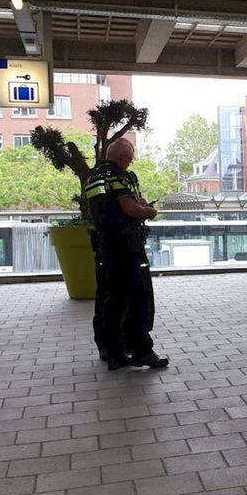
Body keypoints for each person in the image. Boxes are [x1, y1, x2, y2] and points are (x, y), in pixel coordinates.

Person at [84, 138, 169, 370]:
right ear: (122, 157)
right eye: (129, 159)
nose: (129, 163)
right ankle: (141, 349)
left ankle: (111, 351)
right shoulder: (119, 175)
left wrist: (135, 204)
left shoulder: (94, 176)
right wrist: (148, 211)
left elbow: (110, 206)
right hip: (127, 245)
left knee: (109, 298)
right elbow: (129, 209)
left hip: (104, 245)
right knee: (138, 296)